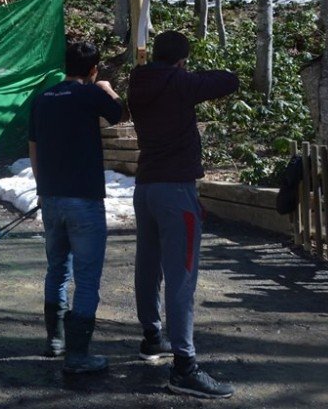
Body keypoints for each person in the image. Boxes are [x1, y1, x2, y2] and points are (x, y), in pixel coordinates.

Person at [128, 30, 239, 399]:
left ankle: (151, 337)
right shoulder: (178, 82)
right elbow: (229, 81)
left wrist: (180, 72)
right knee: (182, 276)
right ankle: (184, 367)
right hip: (176, 190)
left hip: (145, 188)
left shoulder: (139, 80)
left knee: (149, 264)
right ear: (181, 60)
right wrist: (186, 73)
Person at [29, 41, 126, 374]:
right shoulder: (91, 93)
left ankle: (54, 341)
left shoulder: (43, 99)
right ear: (93, 69)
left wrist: (43, 189)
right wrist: (107, 87)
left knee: (56, 269)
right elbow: (119, 113)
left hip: (51, 199)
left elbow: (33, 147)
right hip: (83, 200)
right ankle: (78, 355)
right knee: (86, 279)